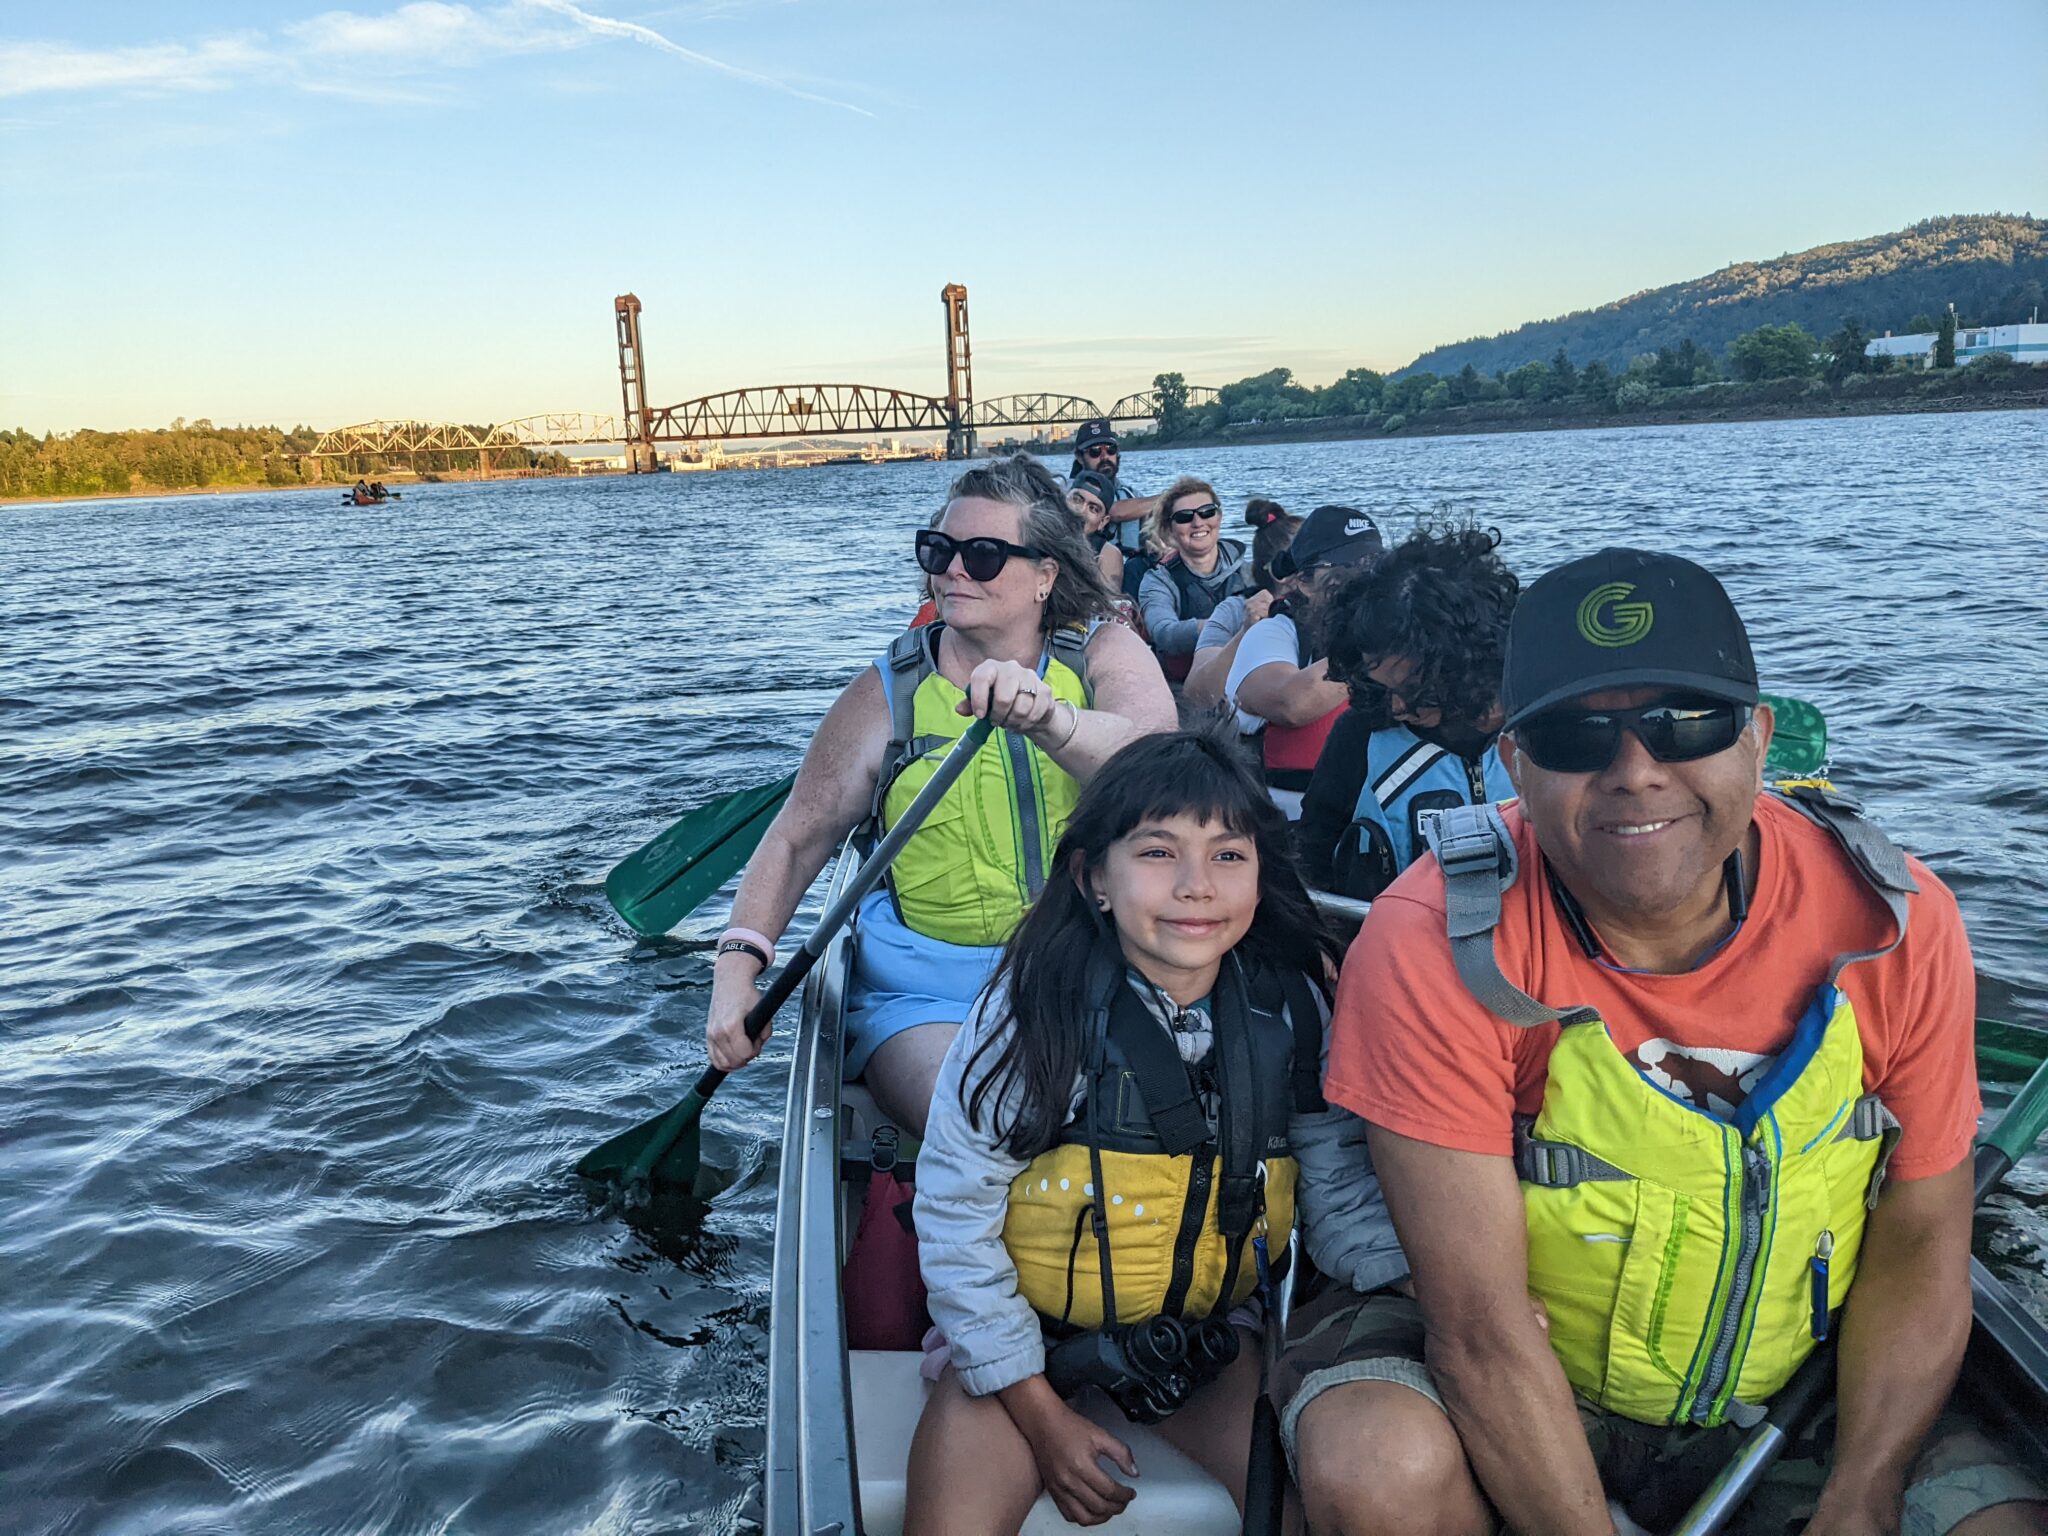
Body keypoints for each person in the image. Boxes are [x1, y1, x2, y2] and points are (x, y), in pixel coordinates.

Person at [1284, 549, 2046, 1536]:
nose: (1634, 771)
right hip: (1518, 1364)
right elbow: (1478, 1330)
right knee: (1374, 1464)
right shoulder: (1429, 940)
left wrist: (1862, 1488)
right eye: (1573, 733)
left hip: (1785, 1384)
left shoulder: (1895, 924)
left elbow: (1918, 1238)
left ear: (1758, 738)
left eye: (1687, 722)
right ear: (1513, 763)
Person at [905, 732, 1404, 1533]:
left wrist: (1425, 1283)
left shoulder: (1294, 1012)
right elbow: (955, 1215)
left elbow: (1338, 1194)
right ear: (1094, 877)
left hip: (1206, 1344)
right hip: (1023, 1342)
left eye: (1228, 856)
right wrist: (1040, 1414)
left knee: (1303, 1512)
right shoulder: (1034, 1013)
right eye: (1158, 852)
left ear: (1261, 873)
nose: (1196, 886)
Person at [704, 454, 1177, 1135]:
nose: (954, 569)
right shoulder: (885, 692)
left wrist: (1052, 719)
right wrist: (735, 971)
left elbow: (1156, 769)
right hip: (924, 992)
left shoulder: (1104, 654)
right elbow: (797, 837)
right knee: (983, 1123)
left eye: (983, 554)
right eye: (940, 550)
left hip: (1089, 967)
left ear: (1046, 575)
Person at [1296, 521, 1519, 898]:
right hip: (1390, 942)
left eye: (1416, 691)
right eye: (1384, 687)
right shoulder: (1359, 736)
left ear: (1472, 666)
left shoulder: (1540, 731)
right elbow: (1314, 849)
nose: (1397, 707)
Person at [1224, 506, 1382, 818]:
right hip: (1291, 823)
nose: (1365, 578)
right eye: (1345, 567)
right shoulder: (1272, 634)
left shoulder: (1401, 638)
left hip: (1378, 820)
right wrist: (1381, 643)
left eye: (1375, 565)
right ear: (1304, 582)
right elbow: (1291, 705)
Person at [1135, 476, 1253, 685]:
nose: (1198, 523)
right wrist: (1222, 625)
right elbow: (1164, 633)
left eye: (1207, 512)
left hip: (1248, 679)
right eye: (1184, 517)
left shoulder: (1250, 571)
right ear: (1169, 528)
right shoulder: (1157, 582)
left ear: (1219, 517)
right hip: (1186, 687)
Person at [1185, 501, 1298, 710]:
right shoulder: (1237, 610)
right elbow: (1196, 694)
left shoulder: (1331, 605)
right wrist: (1246, 631)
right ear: (1281, 570)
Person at [1068, 419, 1161, 597]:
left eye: (1110, 450)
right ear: (1080, 458)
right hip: (1088, 571)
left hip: (1132, 574)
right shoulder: (1069, 491)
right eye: (1095, 452)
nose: (1104, 457)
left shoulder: (1132, 494)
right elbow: (1114, 510)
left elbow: (1149, 537)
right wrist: (1170, 497)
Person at [1065, 468, 1125, 592]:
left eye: (1093, 508)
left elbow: (1108, 605)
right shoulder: (1036, 535)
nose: (1081, 511)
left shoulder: (1107, 554)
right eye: (1077, 500)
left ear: (1103, 522)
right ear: (1063, 501)